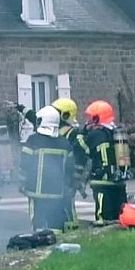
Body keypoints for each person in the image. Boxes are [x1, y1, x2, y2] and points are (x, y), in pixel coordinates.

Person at [18, 106, 74, 234]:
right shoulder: (64, 143)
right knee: (56, 226)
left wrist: (22, 184)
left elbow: (24, 165)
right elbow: (70, 169)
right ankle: (57, 248)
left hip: (36, 194)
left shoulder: (33, 140)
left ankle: (40, 249)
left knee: (38, 226)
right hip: (57, 193)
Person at [78, 99, 129, 226]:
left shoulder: (96, 134)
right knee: (119, 215)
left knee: (103, 218)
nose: (89, 120)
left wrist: (82, 132)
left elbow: (82, 147)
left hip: (102, 181)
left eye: (91, 117)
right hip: (119, 181)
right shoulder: (116, 132)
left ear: (97, 118)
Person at [51, 97, 86, 230]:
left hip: (68, 176)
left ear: (65, 115)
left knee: (67, 204)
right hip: (57, 175)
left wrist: (75, 179)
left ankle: (72, 230)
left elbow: (81, 157)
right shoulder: (53, 131)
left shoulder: (73, 134)